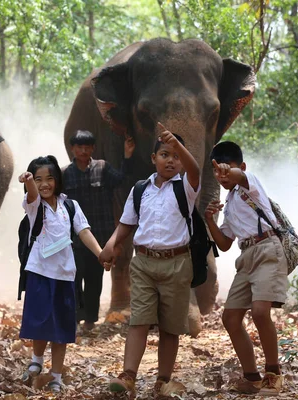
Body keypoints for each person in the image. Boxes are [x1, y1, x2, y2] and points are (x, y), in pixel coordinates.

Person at [99, 123, 200, 397]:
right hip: (143, 262)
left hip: (177, 264)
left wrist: (178, 145)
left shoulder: (186, 188)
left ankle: (163, 380)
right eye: (165, 154)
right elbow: (126, 223)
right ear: (153, 159)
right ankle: (128, 376)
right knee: (138, 321)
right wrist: (111, 244)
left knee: (170, 327)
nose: (171, 160)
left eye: (176, 156)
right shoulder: (140, 189)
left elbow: (195, 170)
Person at [18, 155, 109, 393]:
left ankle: (56, 376)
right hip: (40, 272)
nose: (44, 184)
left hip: (66, 275)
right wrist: (28, 181)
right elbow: (32, 195)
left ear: (58, 180)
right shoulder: (34, 205)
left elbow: (84, 231)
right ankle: (37, 360)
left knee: (61, 328)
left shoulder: (71, 205)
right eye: (38, 179)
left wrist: (100, 254)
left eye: (49, 178)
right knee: (40, 322)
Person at [204, 141, 288, 394]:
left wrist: (232, 172)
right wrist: (210, 220)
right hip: (246, 256)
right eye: (216, 172)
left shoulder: (249, 184)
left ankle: (273, 373)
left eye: (225, 170)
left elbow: (238, 176)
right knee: (230, 318)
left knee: (261, 312)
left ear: (240, 167)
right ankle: (251, 376)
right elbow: (225, 244)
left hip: (267, 249)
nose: (221, 176)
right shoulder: (228, 205)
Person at [62, 130, 135, 331]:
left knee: (94, 278)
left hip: (100, 236)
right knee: (74, 277)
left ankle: (90, 320)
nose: (83, 151)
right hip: (73, 238)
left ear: (92, 148)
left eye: (87, 147)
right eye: (79, 147)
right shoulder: (65, 173)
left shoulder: (102, 168)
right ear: (72, 149)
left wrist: (127, 156)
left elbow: (121, 179)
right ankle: (75, 319)